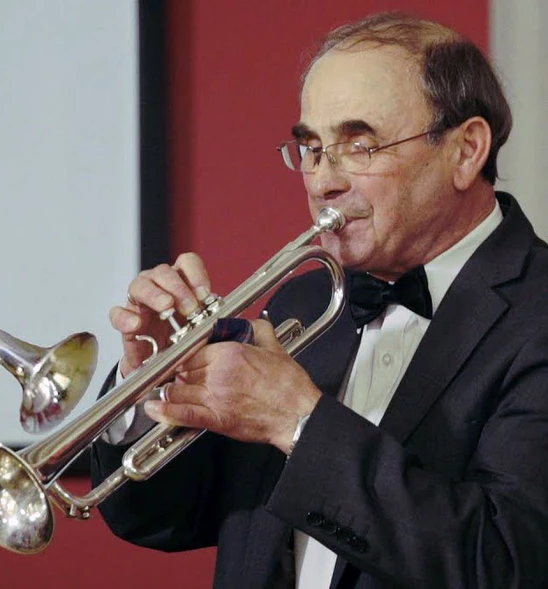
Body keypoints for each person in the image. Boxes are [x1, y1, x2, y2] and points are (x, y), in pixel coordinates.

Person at [91, 12, 548, 589]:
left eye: (359, 145)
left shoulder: (536, 313)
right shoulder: (305, 301)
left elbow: (506, 561)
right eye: (311, 147)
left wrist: (298, 422)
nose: (321, 181)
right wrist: (150, 390)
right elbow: (162, 517)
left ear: (465, 150)